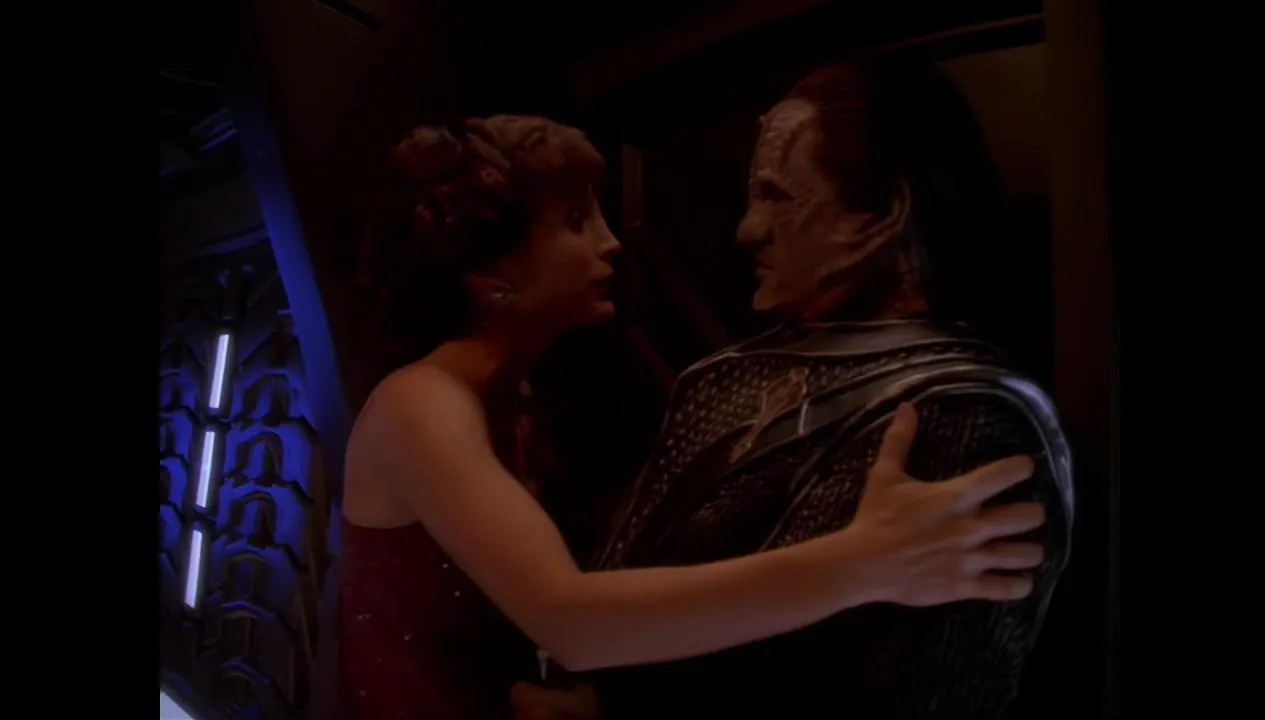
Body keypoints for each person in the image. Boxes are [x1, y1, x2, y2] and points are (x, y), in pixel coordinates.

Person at [338, 115, 1047, 720]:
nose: (611, 242)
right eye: (577, 223)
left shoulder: (515, 396)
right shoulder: (421, 405)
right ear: (491, 281)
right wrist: (866, 564)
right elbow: (571, 620)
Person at [529, 58, 1073, 719]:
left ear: (883, 213)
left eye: (778, 196)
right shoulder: (727, 372)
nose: (748, 228)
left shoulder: (964, 412)